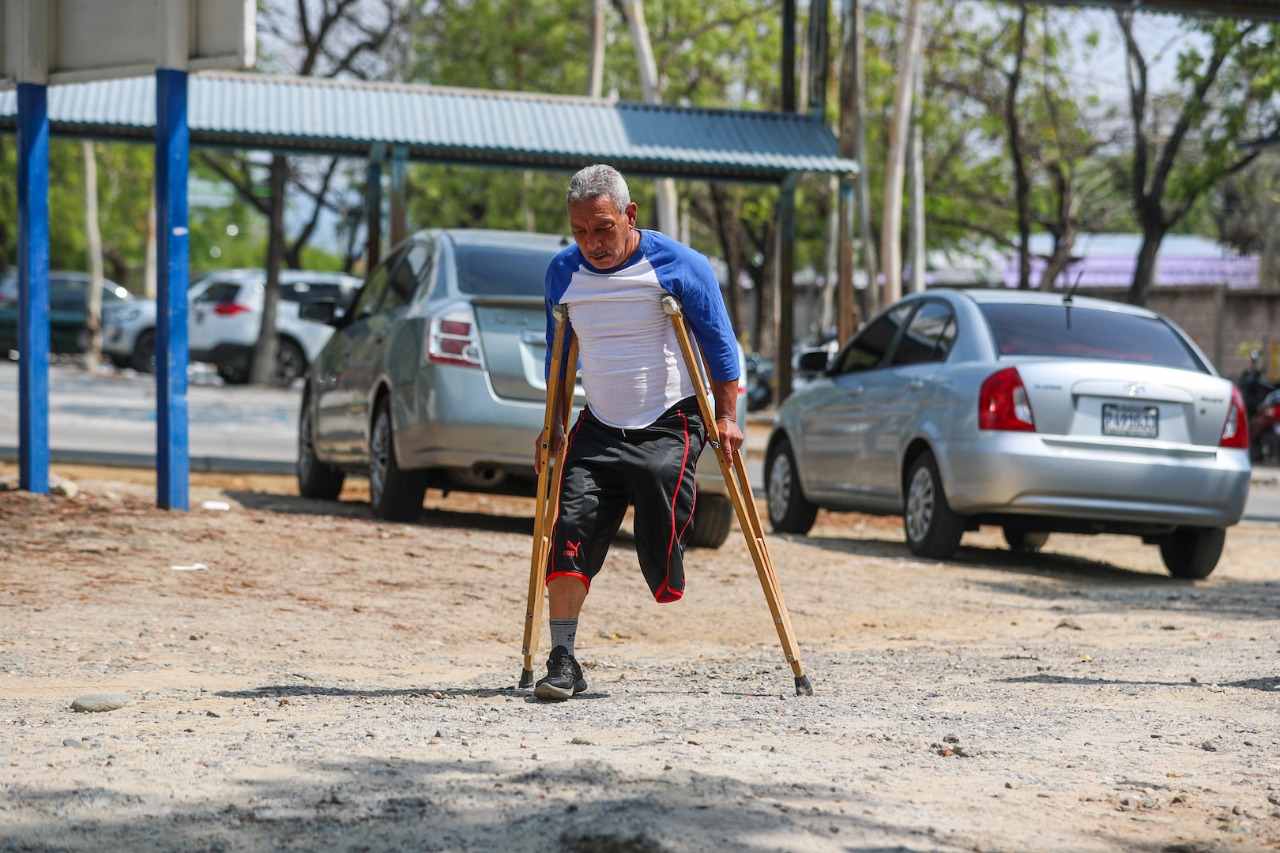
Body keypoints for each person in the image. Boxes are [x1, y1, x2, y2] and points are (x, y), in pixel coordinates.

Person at [531, 164, 743, 701]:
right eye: (580, 232)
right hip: (598, 425)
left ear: (630, 215)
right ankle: (562, 659)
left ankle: (664, 563)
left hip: (670, 419)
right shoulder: (563, 272)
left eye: (602, 228)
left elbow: (720, 347)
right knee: (570, 526)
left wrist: (726, 416)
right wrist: (552, 426)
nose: (592, 243)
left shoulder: (680, 264)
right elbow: (558, 359)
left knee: (658, 481)